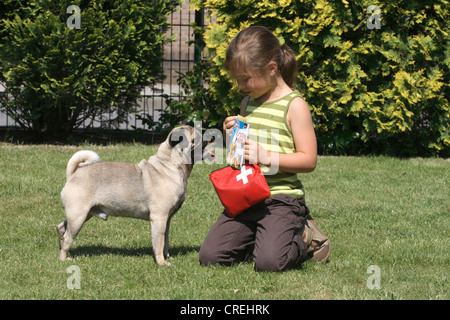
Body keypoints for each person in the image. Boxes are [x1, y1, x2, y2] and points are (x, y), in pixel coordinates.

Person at [199, 26, 331, 272]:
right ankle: (264, 239)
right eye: (237, 79)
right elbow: (241, 158)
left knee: (269, 263)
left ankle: (306, 236)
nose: (240, 85)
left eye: (246, 78)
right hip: (247, 197)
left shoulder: (295, 105)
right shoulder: (248, 101)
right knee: (211, 257)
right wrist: (232, 139)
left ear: (272, 69)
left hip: (281, 200)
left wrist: (267, 157)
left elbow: (309, 160)